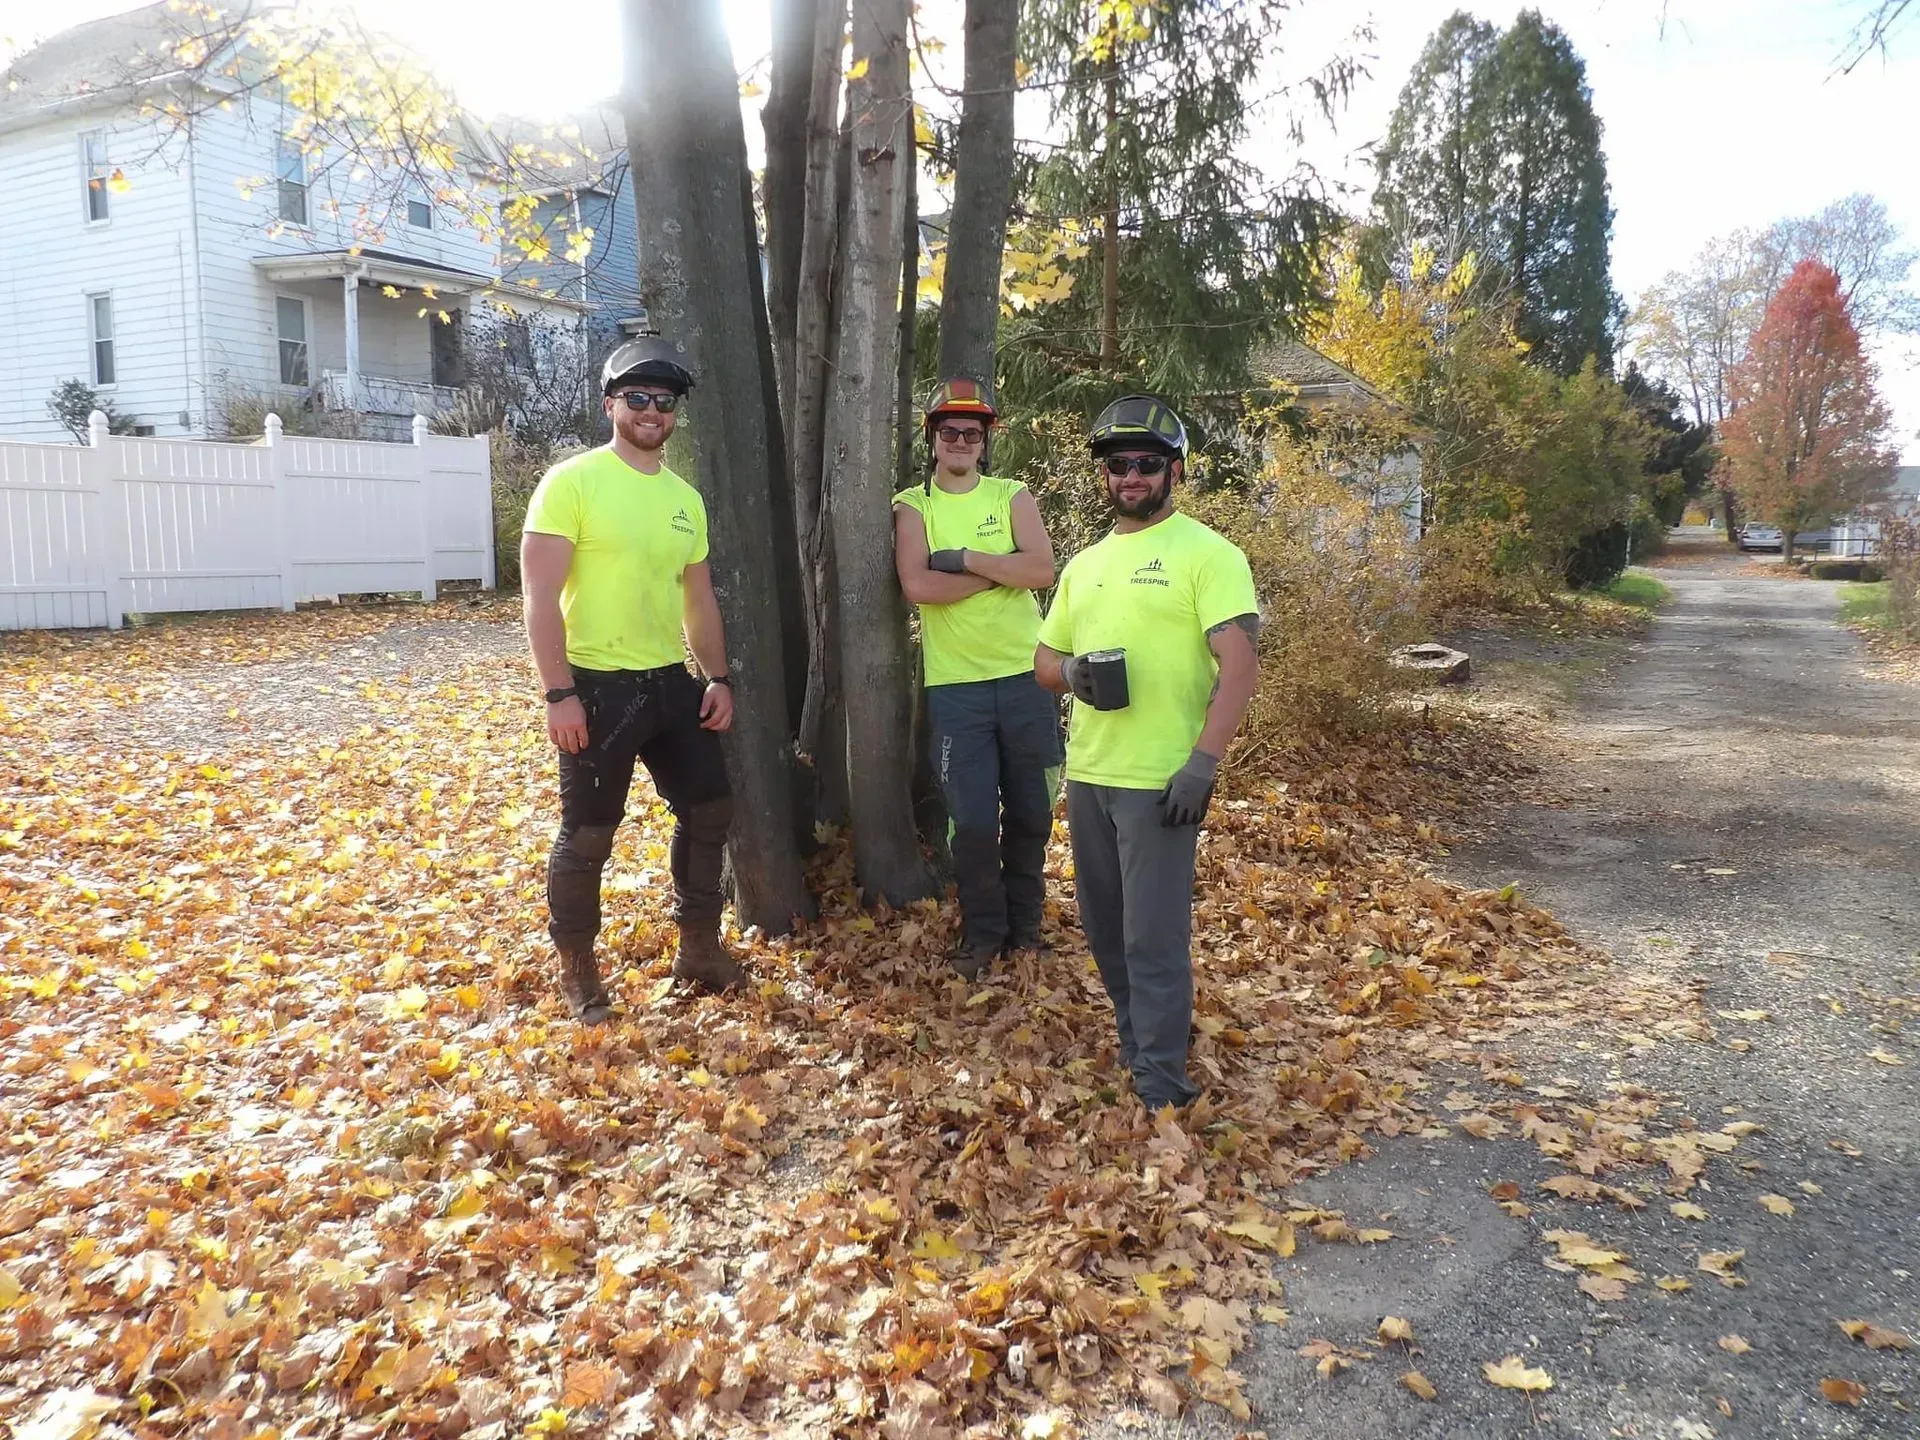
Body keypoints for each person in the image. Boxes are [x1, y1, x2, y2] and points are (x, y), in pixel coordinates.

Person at [1034, 395, 1260, 1110]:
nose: (1130, 476)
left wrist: (1203, 764)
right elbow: (1044, 659)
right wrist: (1073, 675)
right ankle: (1138, 1050)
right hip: (1091, 775)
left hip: (1161, 782)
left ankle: (1164, 1087)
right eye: (1117, 465)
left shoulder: (1211, 555)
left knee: (1152, 940)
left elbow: (1242, 663)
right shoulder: (1086, 564)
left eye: (1146, 464)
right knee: (1105, 933)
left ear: (1176, 472)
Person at [520, 336, 743, 1021]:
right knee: (588, 834)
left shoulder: (685, 499)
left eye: (664, 402)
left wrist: (718, 677)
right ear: (611, 404)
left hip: (669, 685)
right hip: (595, 687)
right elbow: (537, 596)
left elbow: (698, 599)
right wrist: (558, 694)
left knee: (710, 812)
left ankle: (699, 949)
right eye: (638, 398)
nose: (652, 411)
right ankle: (578, 972)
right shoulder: (572, 482)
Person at [893, 377, 1062, 977]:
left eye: (973, 431)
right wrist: (1000, 572)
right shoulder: (915, 505)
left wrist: (964, 560)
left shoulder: (1012, 494)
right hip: (956, 689)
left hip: (1026, 678)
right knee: (969, 821)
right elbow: (918, 587)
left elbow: (1041, 569)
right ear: (933, 439)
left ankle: (1026, 929)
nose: (961, 440)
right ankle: (984, 933)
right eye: (949, 431)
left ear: (986, 439)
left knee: (1032, 812)